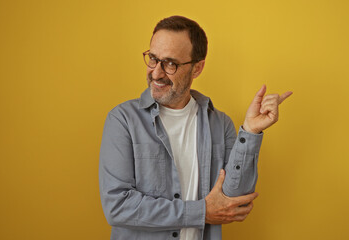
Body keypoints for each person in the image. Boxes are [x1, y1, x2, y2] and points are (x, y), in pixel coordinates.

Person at [99, 15, 292, 240]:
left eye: (170, 63)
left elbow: (234, 201)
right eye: (153, 58)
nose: (156, 73)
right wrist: (202, 212)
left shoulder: (220, 124)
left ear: (197, 68)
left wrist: (250, 131)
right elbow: (118, 206)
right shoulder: (123, 120)